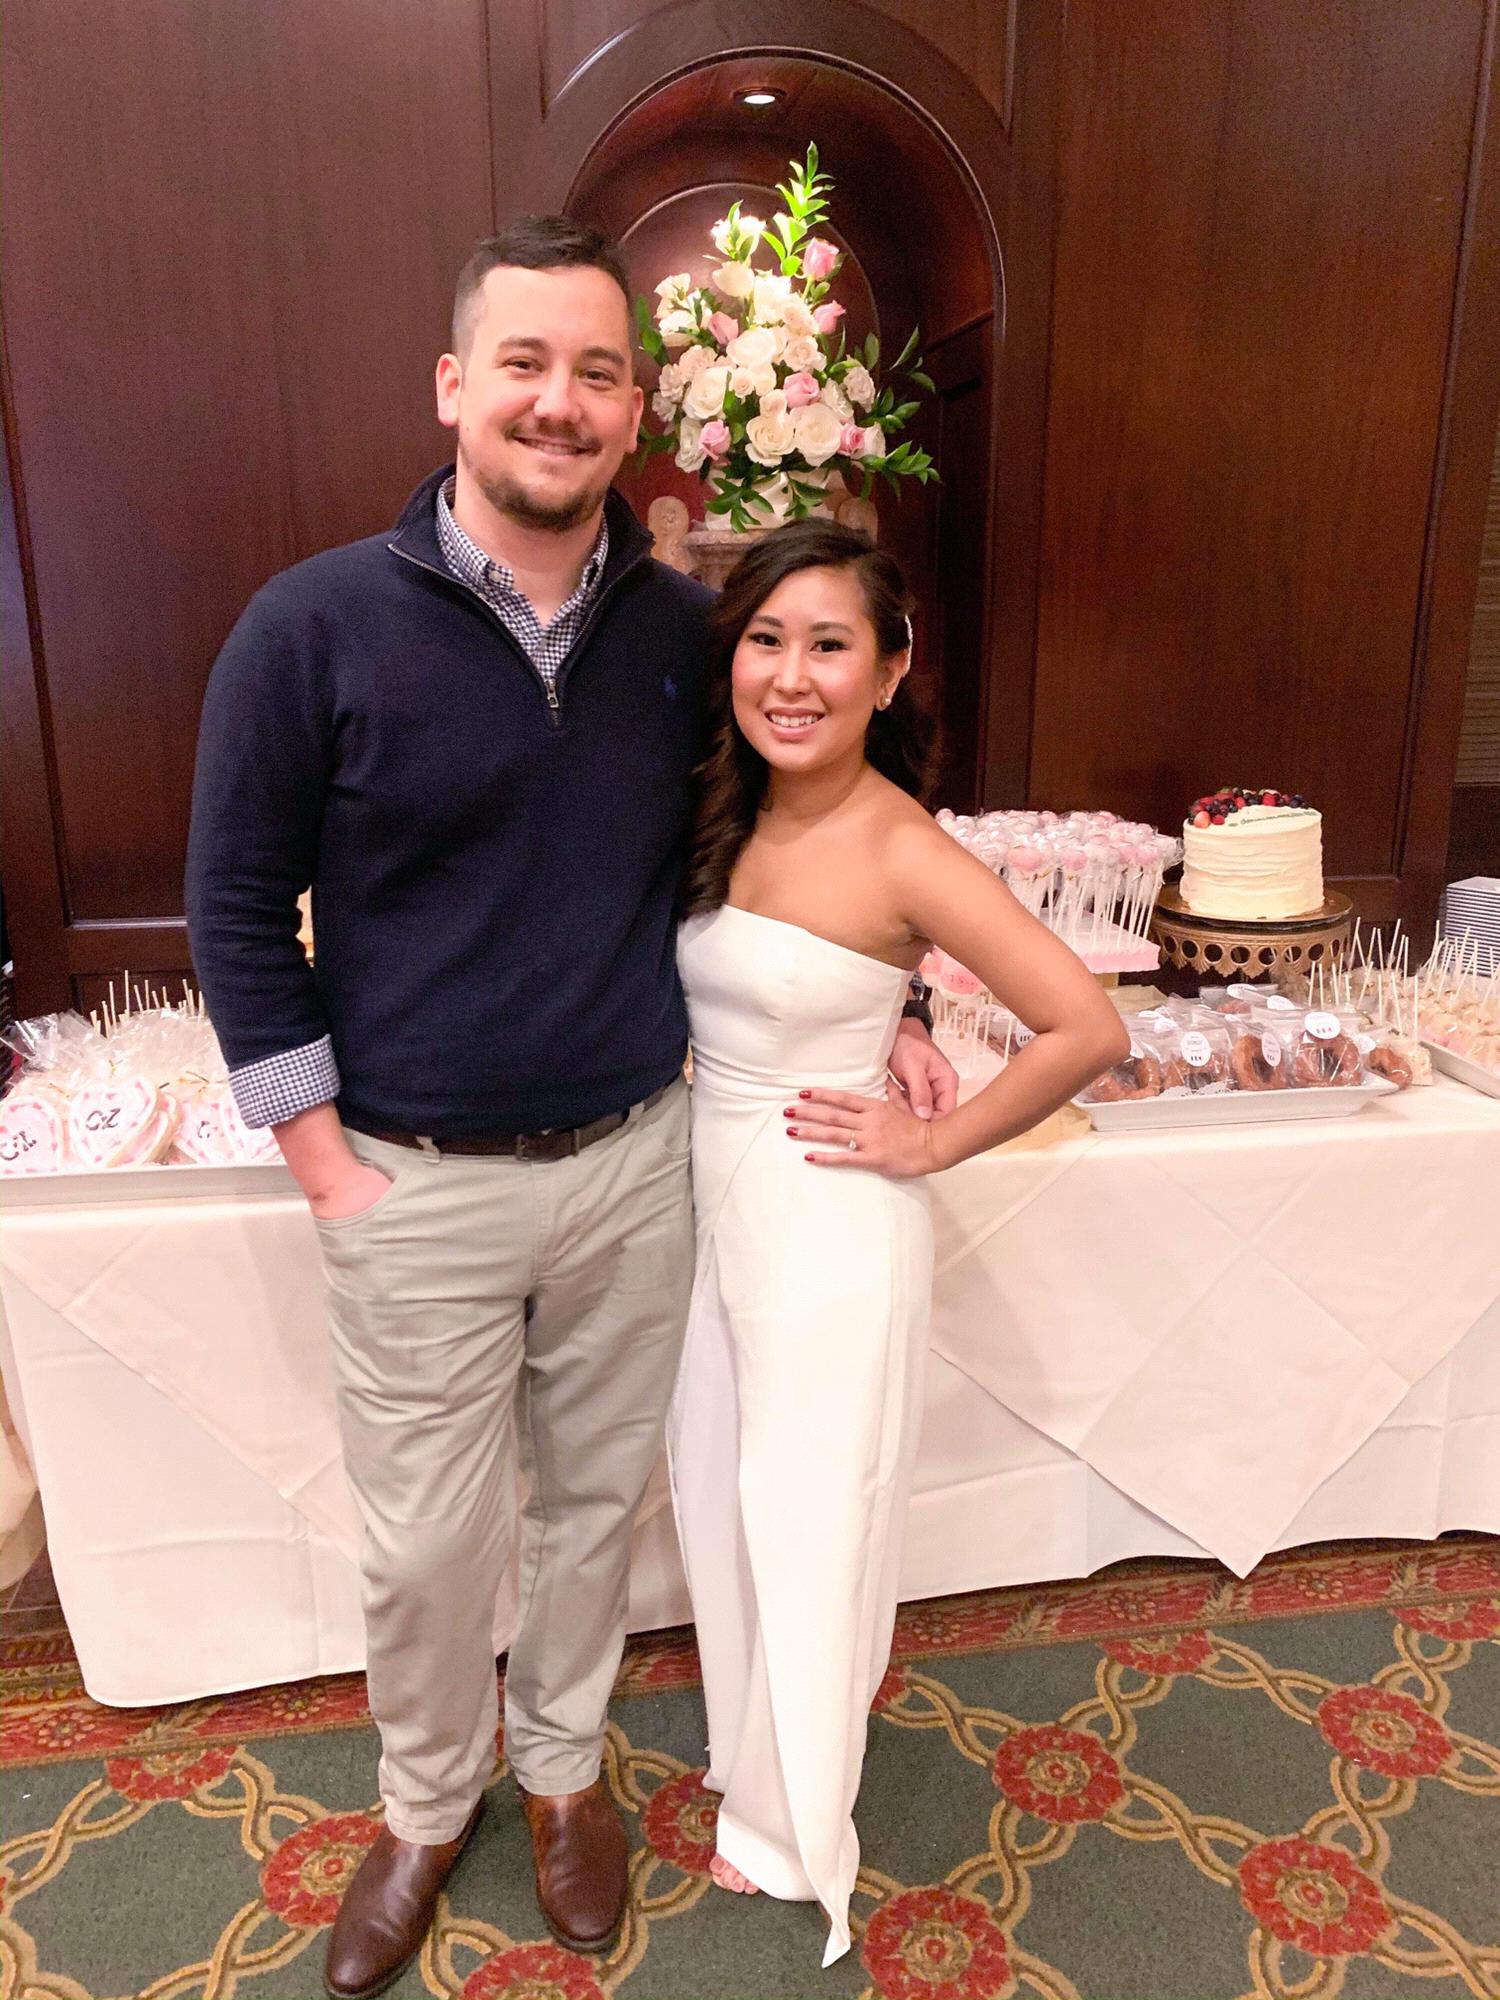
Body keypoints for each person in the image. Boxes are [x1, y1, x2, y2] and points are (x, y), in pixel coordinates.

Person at [184, 216, 955, 2000]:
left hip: (633, 1166)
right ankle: (423, 1804)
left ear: (636, 411)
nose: (561, 400)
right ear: (455, 386)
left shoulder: (693, 634)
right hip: (412, 1178)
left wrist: (900, 992)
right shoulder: (311, 627)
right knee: (431, 1543)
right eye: (524, 362)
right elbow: (234, 905)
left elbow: (796, 836)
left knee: (595, 1514)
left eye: (598, 371)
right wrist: (322, 1162)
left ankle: (560, 1775)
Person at [669, 520, 1128, 1966]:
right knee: (719, 1496)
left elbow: (1086, 1026)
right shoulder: (725, 806)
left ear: (890, 670)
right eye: (766, 639)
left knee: (807, 1511)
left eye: (829, 645)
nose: (790, 675)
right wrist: (912, 1021)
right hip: (710, 1206)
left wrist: (928, 1138)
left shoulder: (904, 843)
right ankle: (756, 1747)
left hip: (827, 1222)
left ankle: (793, 1820)